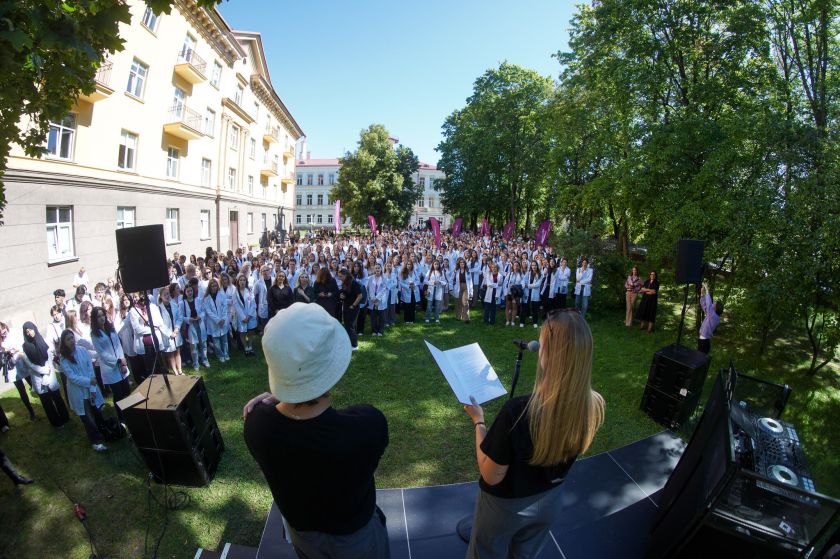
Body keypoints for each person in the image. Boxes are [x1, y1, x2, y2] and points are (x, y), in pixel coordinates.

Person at [243, 303, 389, 559]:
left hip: (303, 536)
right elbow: (341, 426)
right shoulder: (367, 427)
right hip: (357, 541)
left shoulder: (256, 425)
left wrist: (284, 395)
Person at [462, 310, 605, 558]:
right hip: (551, 501)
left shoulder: (517, 412)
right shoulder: (594, 404)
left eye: (542, 343)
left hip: (506, 508)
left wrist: (479, 421)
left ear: (549, 354)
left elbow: (490, 475)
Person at [59, 330, 108, 452]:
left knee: (97, 411)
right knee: (87, 417)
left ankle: (104, 431)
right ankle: (95, 441)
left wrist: (92, 387)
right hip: (78, 392)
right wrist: (89, 381)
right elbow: (72, 377)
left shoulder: (82, 350)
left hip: (91, 387)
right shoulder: (63, 359)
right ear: (64, 343)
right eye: (68, 339)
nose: (71, 341)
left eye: (72, 338)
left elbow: (89, 368)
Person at [17, 322, 69, 427]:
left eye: (31, 329)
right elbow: (30, 364)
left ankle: (65, 417)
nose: (30, 333)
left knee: (57, 397)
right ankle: (56, 423)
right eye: (27, 331)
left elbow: (50, 356)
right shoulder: (25, 347)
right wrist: (44, 370)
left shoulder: (43, 341)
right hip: (38, 377)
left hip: (50, 375)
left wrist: (49, 369)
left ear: (34, 329)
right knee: (47, 402)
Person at [89, 308, 131, 419]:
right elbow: (102, 353)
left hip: (121, 364)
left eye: (103, 315)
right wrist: (118, 361)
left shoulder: (111, 328)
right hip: (110, 368)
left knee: (126, 390)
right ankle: (121, 417)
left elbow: (118, 345)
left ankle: (130, 412)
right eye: (98, 316)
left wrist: (122, 360)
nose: (102, 318)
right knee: (118, 394)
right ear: (94, 319)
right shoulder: (94, 335)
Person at [0, 322, 36, 421]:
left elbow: (22, 343)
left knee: (33, 384)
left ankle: (45, 401)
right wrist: (4, 350)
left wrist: (15, 349)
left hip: (22, 362)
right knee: (21, 390)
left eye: (4, 331)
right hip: (12, 367)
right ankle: (31, 412)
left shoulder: (14, 332)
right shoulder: (1, 340)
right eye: (1, 333)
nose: (3, 334)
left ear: (5, 327)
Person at [181, 284, 209, 369]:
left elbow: (203, 311)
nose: (190, 292)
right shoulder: (182, 303)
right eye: (188, 291)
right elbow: (181, 316)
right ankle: (195, 363)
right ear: (185, 293)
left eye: (191, 291)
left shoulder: (198, 300)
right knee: (193, 345)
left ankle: (205, 360)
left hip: (199, 323)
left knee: (203, 343)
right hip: (191, 325)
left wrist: (200, 316)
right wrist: (188, 319)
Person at [158, 286, 184, 375]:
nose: (167, 296)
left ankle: (180, 370)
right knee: (171, 354)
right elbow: (160, 324)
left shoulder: (174, 305)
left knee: (177, 352)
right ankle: (175, 371)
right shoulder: (159, 308)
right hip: (167, 334)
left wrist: (177, 328)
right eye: (164, 294)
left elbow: (180, 317)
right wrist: (170, 333)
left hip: (176, 332)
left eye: (168, 294)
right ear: (161, 296)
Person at [204, 278, 231, 364]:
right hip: (213, 322)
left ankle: (226, 354)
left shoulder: (221, 295)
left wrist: (223, 319)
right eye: (212, 286)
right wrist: (218, 320)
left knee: (224, 340)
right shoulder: (206, 299)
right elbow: (209, 312)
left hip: (223, 321)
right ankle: (220, 355)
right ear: (210, 287)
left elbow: (225, 307)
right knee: (216, 342)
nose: (214, 288)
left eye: (215, 286)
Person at [233, 275, 258, 356]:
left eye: (244, 280)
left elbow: (253, 304)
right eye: (240, 280)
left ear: (246, 282)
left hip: (250, 316)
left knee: (251, 331)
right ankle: (246, 347)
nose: (242, 282)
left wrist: (249, 316)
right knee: (242, 333)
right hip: (241, 317)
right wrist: (243, 317)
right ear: (238, 282)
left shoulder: (249, 291)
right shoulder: (235, 292)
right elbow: (236, 306)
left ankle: (250, 346)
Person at [338, 268, 363, 350]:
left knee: (350, 326)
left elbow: (360, 296)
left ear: (346, 275)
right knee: (347, 325)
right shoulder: (344, 283)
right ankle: (349, 343)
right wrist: (342, 296)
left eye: (341, 276)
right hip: (346, 306)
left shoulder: (354, 283)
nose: (340, 278)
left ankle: (355, 345)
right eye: (339, 276)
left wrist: (353, 305)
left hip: (353, 307)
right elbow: (345, 294)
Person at [698, 282, 723, 354]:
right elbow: (705, 306)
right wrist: (702, 294)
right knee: (701, 356)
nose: (712, 304)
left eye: (714, 304)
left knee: (700, 357)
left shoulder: (714, 316)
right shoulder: (711, 315)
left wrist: (707, 290)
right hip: (704, 340)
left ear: (715, 308)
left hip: (704, 341)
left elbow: (708, 305)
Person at [367, 264, 388, 336]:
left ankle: (380, 331)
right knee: (373, 316)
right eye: (376, 268)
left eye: (379, 268)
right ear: (374, 270)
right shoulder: (370, 278)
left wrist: (377, 298)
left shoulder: (384, 278)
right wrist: (373, 298)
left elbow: (384, 289)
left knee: (381, 316)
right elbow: (370, 289)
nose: (377, 269)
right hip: (372, 300)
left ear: (381, 269)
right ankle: (374, 331)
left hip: (380, 300)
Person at [452, 258, 473, 323]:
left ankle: (466, 318)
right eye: (461, 262)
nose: (462, 263)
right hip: (458, 287)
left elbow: (470, 282)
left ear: (465, 264)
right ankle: (458, 317)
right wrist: (452, 287)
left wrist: (471, 291)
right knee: (458, 302)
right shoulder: (456, 271)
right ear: (459, 264)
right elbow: (452, 279)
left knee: (465, 302)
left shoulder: (468, 271)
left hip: (466, 287)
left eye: (463, 262)